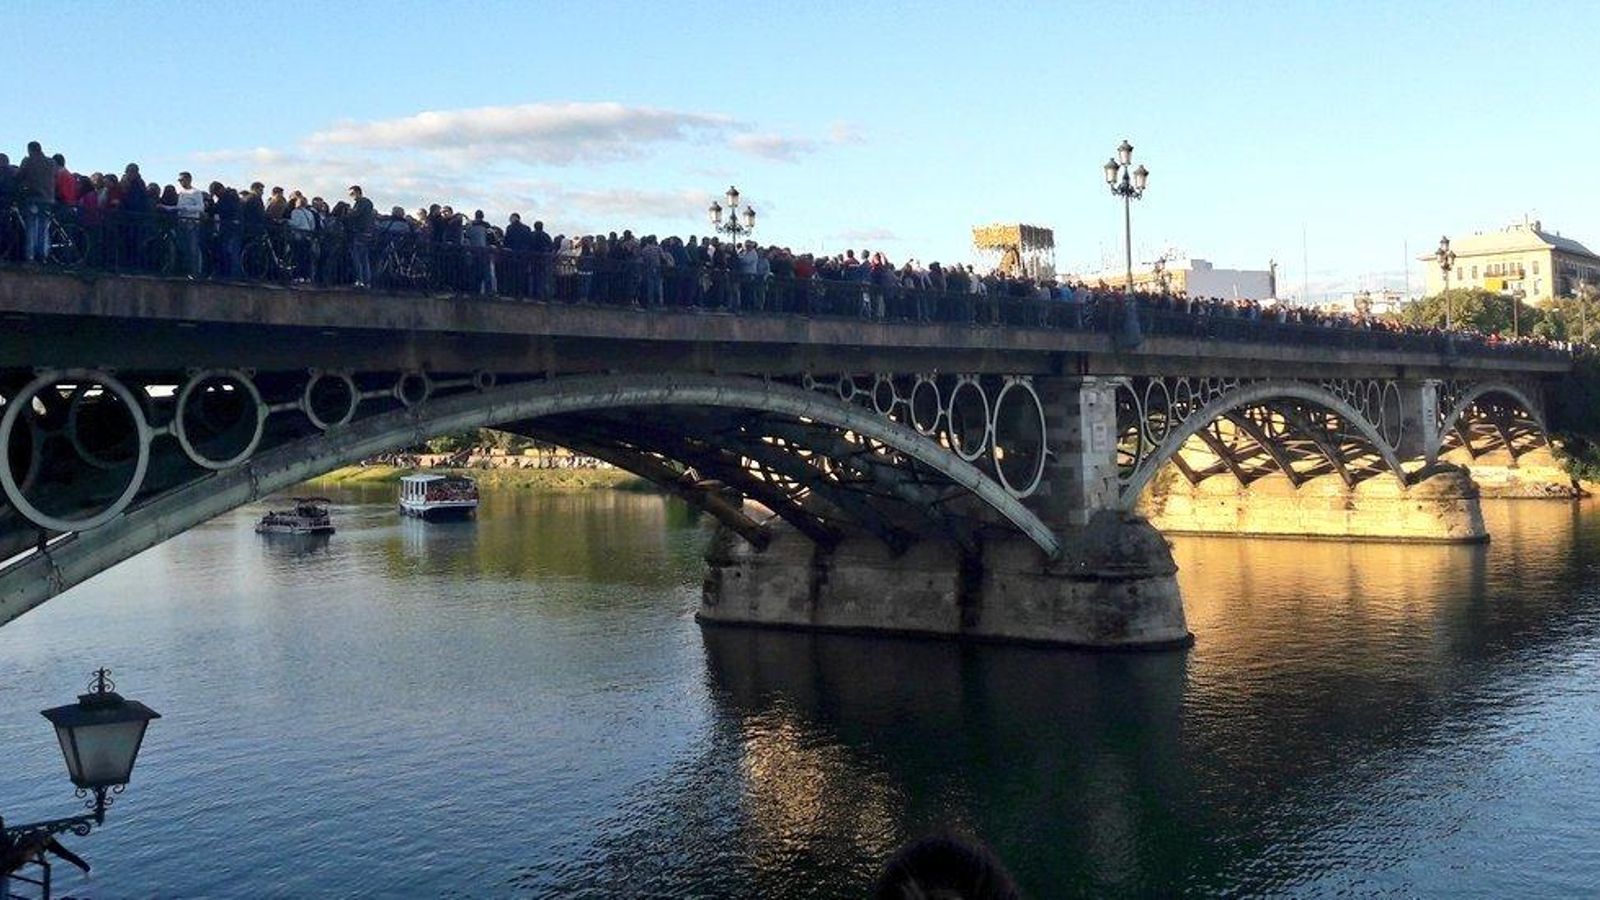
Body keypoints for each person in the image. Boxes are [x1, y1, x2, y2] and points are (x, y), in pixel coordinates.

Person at [16, 141, 56, 262]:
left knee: (31, 226)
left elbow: (19, 177)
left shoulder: (28, 161)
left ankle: (30, 255)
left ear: (30, 150)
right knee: (44, 227)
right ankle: (43, 255)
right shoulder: (51, 162)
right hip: (48, 199)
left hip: (33, 198)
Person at [167, 171, 207, 277]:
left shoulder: (196, 192)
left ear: (188, 179)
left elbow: (201, 207)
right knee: (183, 247)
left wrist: (187, 208)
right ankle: (185, 270)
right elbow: (178, 207)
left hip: (192, 223)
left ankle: (195, 272)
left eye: (182, 180)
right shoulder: (181, 193)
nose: (180, 182)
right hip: (181, 223)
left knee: (193, 248)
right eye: (179, 180)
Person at [346, 185, 375, 287]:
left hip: (360, 233)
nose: (351, 196)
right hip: (367, 233)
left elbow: (356, 214)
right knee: (364, 257)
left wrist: (348, 212)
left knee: (358, 257)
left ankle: (361, 280)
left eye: (352, 194)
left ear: (358, 192)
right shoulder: (367, 203)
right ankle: (366, 281)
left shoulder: (362, 203)